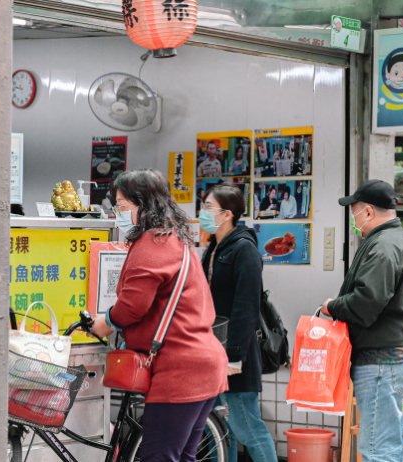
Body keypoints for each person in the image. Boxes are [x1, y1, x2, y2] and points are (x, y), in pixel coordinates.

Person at [92, 169, 228, 462]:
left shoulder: (154, 242)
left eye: (123, 206)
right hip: (204, 364)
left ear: (144, 204)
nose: (118, 213)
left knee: (160, 457)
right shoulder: (177, 239)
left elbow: (133, 304)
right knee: (183, 457)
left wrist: (105, 322)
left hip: (181, 369)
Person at [318, 179, 403, 462]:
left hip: (379, 363)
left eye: (355, 211)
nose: (353, 219)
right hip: (394, 358)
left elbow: (366, 303)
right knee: (388, 444)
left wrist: (331, 307)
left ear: (368, 212)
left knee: (376, 449)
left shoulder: (383, 246)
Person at [200, 185, 278, 462]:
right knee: (221, 431)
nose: (202, 212)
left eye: (208, 207)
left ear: (226, 215)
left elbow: (246, 308)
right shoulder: (214, 248)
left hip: (236, 355)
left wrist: (234, 357)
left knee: (248, 428)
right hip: (212, 352)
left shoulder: (244, 250)